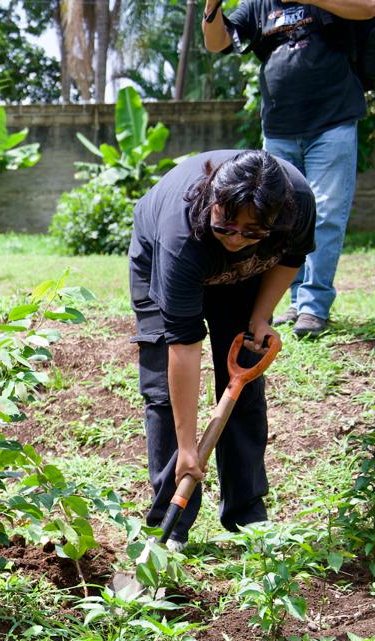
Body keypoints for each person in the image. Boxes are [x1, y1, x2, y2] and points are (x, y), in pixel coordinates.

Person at [130, 149, 315, 548]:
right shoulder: (179, 237)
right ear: (213, 201)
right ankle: (169, 526)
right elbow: (183, 346)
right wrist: (187, 449)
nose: (235, 239)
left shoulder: (297, 201)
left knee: (243, 384)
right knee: (164, 392)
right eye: (226, 226)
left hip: (246, 276)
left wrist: (261, 316)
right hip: (165, 258)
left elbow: (291, 255)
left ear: (276, 218)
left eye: (252, 232)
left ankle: (247, 515)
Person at [203, 0, 374, 338]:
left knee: (326, 214)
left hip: (333, 122)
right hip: (279, 129)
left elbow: (368, 8)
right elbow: (217, 42)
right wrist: (212, 7)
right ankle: (294, 301)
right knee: (280, 216)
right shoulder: (258, 5)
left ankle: (313, 306)